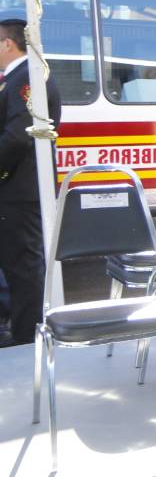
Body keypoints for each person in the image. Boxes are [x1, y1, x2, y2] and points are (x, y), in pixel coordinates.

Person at [0, 18, 61, 346]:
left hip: (20, 192)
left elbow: (17, 137)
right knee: (14, 263)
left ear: (8, 44)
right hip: (15, 190)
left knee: (24, 267)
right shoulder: (18, 78)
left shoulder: (29, 79)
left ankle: (27, 338)